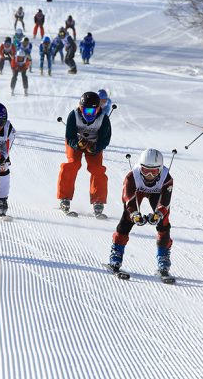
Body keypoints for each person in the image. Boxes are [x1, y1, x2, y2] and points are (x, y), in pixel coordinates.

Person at [107, 149, 174, 278]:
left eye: (153, 171)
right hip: (137, 191)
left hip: (157, 193)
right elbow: (128, 201)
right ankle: (116, 252)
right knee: (127, 218)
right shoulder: (132, 176)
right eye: (145, 170)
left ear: (160, 169)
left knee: (163, 221)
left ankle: (163, 256)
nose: (149, 175)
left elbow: (165, 202)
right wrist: (135, 215)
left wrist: (158, 214)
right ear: (140, 168)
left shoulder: (167, 178)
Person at [57, 92, 112, 218]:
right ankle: (64, 198)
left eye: (92, 111)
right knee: (72, 164)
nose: (89, 114)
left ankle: (98, 201)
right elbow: (69, 136)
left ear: (98, 109)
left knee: (97, 169)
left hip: (94, 144)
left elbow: (105, 139)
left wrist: (95, 148)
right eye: (86, 110)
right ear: (81, 108)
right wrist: (77, 145)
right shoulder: (74, 115)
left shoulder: (103, 118)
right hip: (76, 143)